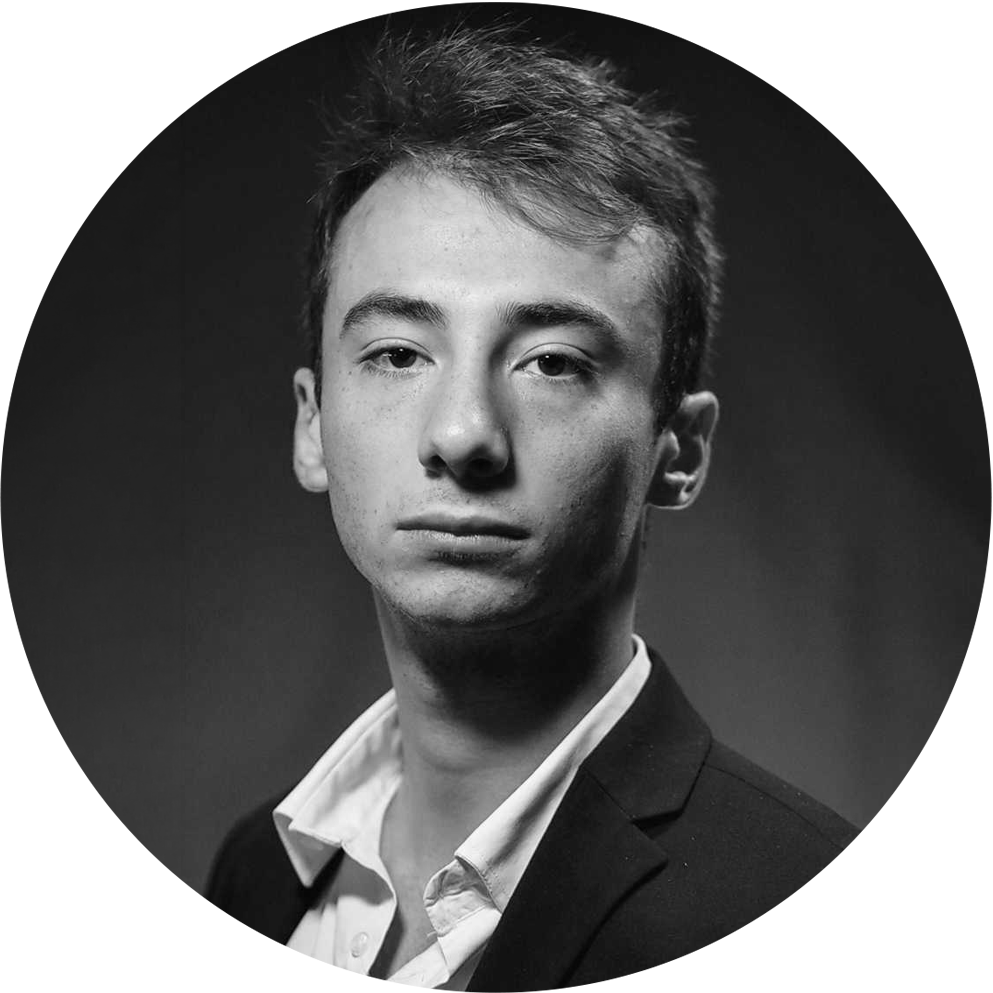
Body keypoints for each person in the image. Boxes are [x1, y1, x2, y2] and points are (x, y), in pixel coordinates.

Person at [193, 26, 988, 993]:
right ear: (313, 425)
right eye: (397, 353)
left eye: (552, 362)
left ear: (678, 449)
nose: (463, 432)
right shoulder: (261, 874)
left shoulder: (837, 950)